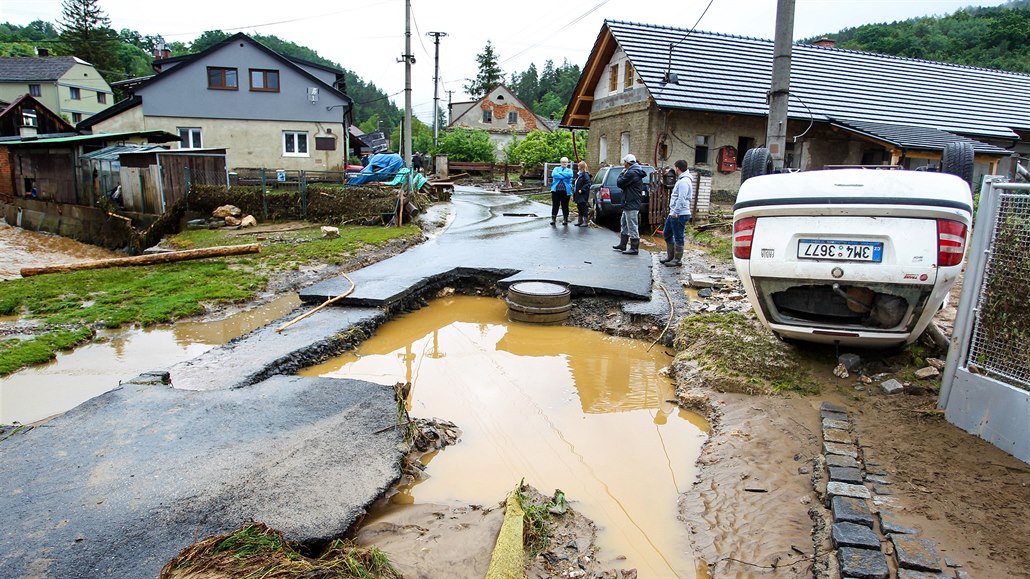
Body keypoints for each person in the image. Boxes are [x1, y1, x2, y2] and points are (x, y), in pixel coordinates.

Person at [660, 160, 693, 266]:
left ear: (678, 168)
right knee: (667, 233)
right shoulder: (682, 180)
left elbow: (682, 199)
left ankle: (677, 260)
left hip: (679, 213)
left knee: (678, 236)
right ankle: (671, 257)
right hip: (674, 212)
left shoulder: (684, 182)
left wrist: (675, 212)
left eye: (675, 168)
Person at [613, 154, 646, 254]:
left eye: (624, 163)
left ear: (627, 163)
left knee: (632, 225)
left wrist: (622, 173)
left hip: (631, 202)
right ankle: (623, 244)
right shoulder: (635, 171)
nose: (624, 165)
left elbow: (619, 183)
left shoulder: (631, 172)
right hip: (630, 201)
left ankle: (634, 248)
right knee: (624, 222)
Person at [549, 156, 574, 225]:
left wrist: (560, 174)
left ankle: (565, 219)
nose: (564, 163)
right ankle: (553, 219)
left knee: (565, 205)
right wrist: (564, 176)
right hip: (556, 191)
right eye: (563, 162)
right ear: (560, 163)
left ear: (567, 163)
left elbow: (570, 175)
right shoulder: (556, 169)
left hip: (566, 191)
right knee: (555, 205)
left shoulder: (569, 170)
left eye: (565, 162)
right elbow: (554, 175)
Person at [573, 160, 592, 226]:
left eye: (579, 166)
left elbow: (588, 183)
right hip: (578, 194)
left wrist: (582, 189)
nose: (578, 167)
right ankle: (580, 221)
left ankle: (585, 222)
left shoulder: (585, 175)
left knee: (583, 208)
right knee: (579, 207)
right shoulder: (580, 175)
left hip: (582, 195)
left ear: (581, 167)